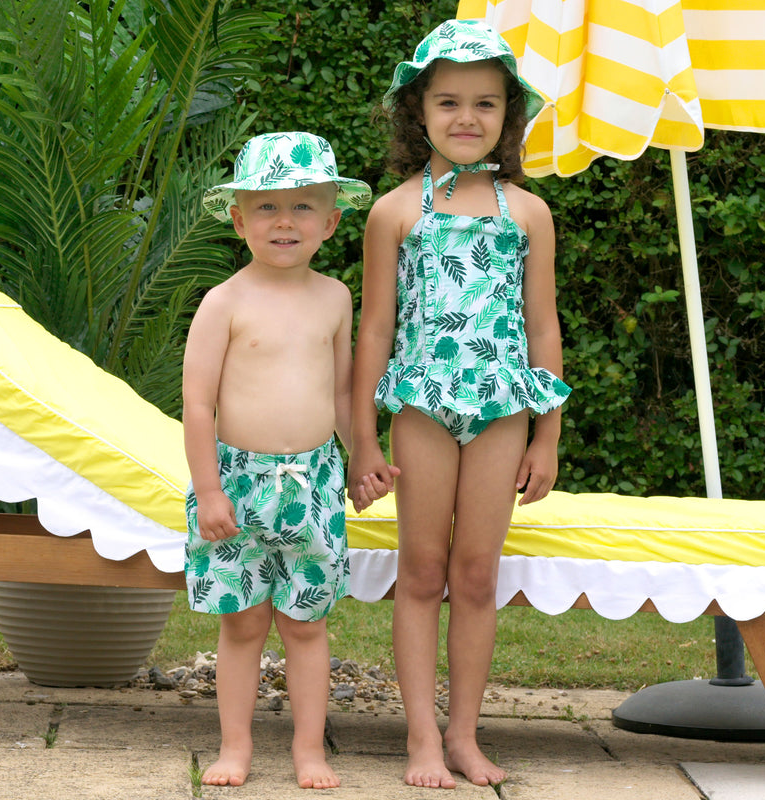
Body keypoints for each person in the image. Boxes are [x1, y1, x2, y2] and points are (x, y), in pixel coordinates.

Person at [348, 19, 571, 789]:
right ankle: (418, 739)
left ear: (510, 114)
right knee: (421, 570)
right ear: (419, 111)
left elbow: (542, 325)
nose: (467, 118)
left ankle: (465, 737)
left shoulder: (528, 214)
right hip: (421, 408)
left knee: (476, 574)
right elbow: (374, 330)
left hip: (503, 411)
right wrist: (363, 442)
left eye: (486, 103)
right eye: (448, 102)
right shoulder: (395, 212)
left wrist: (549, 435)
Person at [183, 131, 375, 789]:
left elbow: (344, 391)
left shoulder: (335, 299)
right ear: (238, 221)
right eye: (266, 207)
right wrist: (210, 491)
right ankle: (235, 748)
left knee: (305, 623)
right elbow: (199, 406)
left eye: (302, 206)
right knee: (242, 625)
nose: (284, 221)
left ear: (331, 220)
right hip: (237, 486)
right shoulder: (225, 303)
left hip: (314, 485)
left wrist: (361, 458)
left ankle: (309, 751)